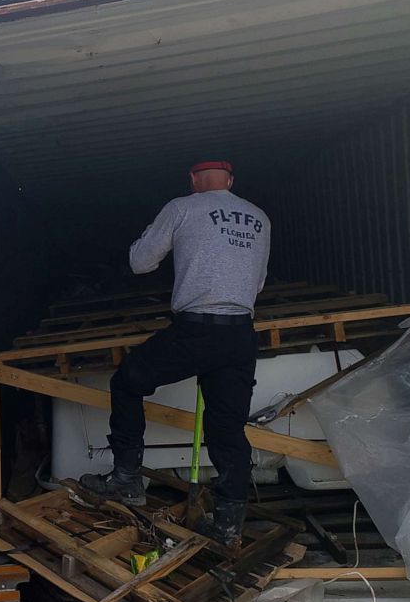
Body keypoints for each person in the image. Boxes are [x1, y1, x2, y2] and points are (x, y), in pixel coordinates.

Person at [80, 160, 271, 546]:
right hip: (240, 335)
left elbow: (140, 262)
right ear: (231, 181)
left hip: (196, 329)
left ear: (193, 180)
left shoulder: (182, 207)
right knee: (228, 429)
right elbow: (259, 282)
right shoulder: (259, 218)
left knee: (127, 382)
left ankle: (127, 480)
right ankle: (229, 524)